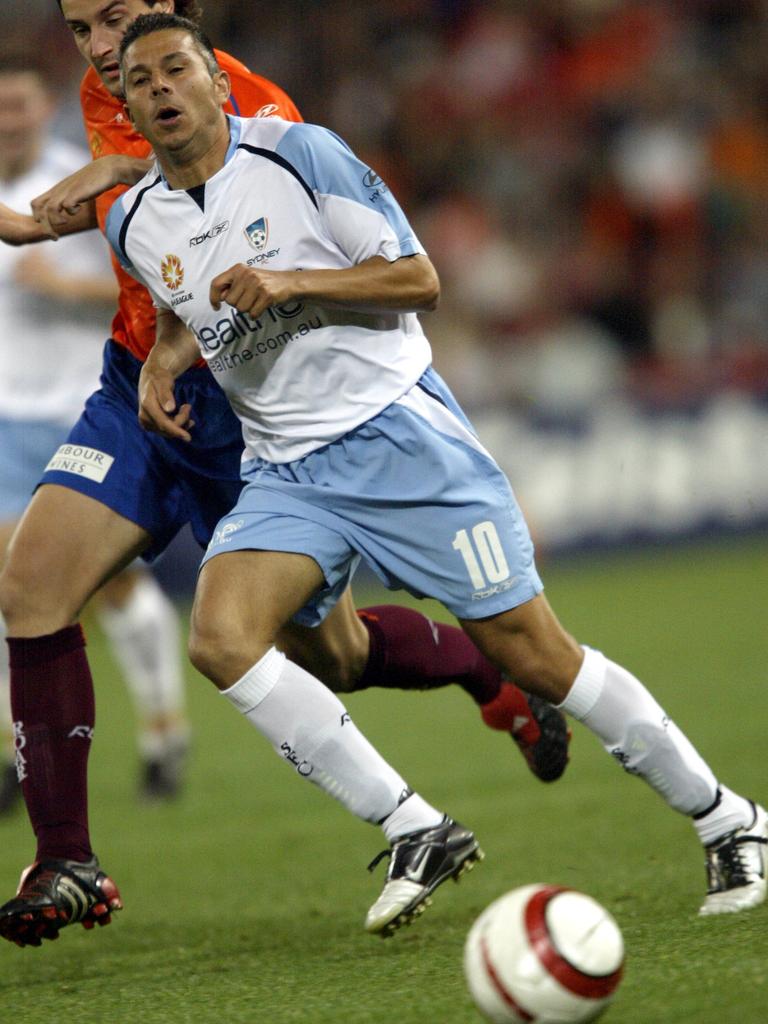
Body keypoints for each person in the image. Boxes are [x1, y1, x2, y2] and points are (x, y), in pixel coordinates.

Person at [117, 13, 764, 929]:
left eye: (177, 70)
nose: (161, 91)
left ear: (219, 84)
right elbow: (181, 303)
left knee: (537, 656)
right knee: (221, 637)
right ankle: (413, 825)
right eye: (140, 81)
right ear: (128, 108)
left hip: (398, 440)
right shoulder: (136, 218)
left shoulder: (305, 158)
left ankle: (729, 819)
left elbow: (417, 279)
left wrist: (296, 282)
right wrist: (164, 356)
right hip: (288, 472)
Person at [0, 0, 568, 947]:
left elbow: (254, 201)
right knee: (27, 582)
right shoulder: (113, 95)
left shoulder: (231, 94)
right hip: (141, 389)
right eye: (79, 31)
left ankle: (482, 666)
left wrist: (113, 174)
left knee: (332, 659)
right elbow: (152, 226)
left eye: (114, 20)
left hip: (257, 412)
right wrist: (112, 210)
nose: (101, 49)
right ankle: (68, 860)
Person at [0, 55, 190, 814]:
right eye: (0, 108)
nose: (9, 118)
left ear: (44, 108)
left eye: (20, 105)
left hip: (84, 403)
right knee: (16, 584)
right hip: (6, 413)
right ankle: (19, 754)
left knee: (112, 584)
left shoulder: (78, 181)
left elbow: (143, 286)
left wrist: (65, 286)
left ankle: (163, 730)